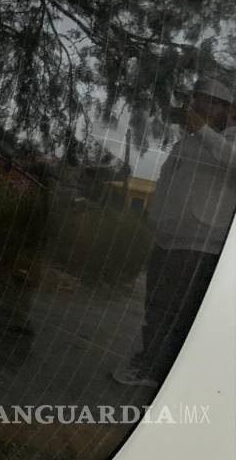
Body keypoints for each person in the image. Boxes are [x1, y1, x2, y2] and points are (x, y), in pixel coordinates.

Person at [113, 77, 236, 388]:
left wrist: (203, 129)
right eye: (197, 99)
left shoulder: (227, 139)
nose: (198, 105)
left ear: (226, 109)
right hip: (168, 239)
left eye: (208, 100)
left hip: (200, 242)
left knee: (179, 311)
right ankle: (151, 361)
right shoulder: (188, 141)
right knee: (156, 304)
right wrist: (154, 219)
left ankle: (158, 371)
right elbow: (170, 184)